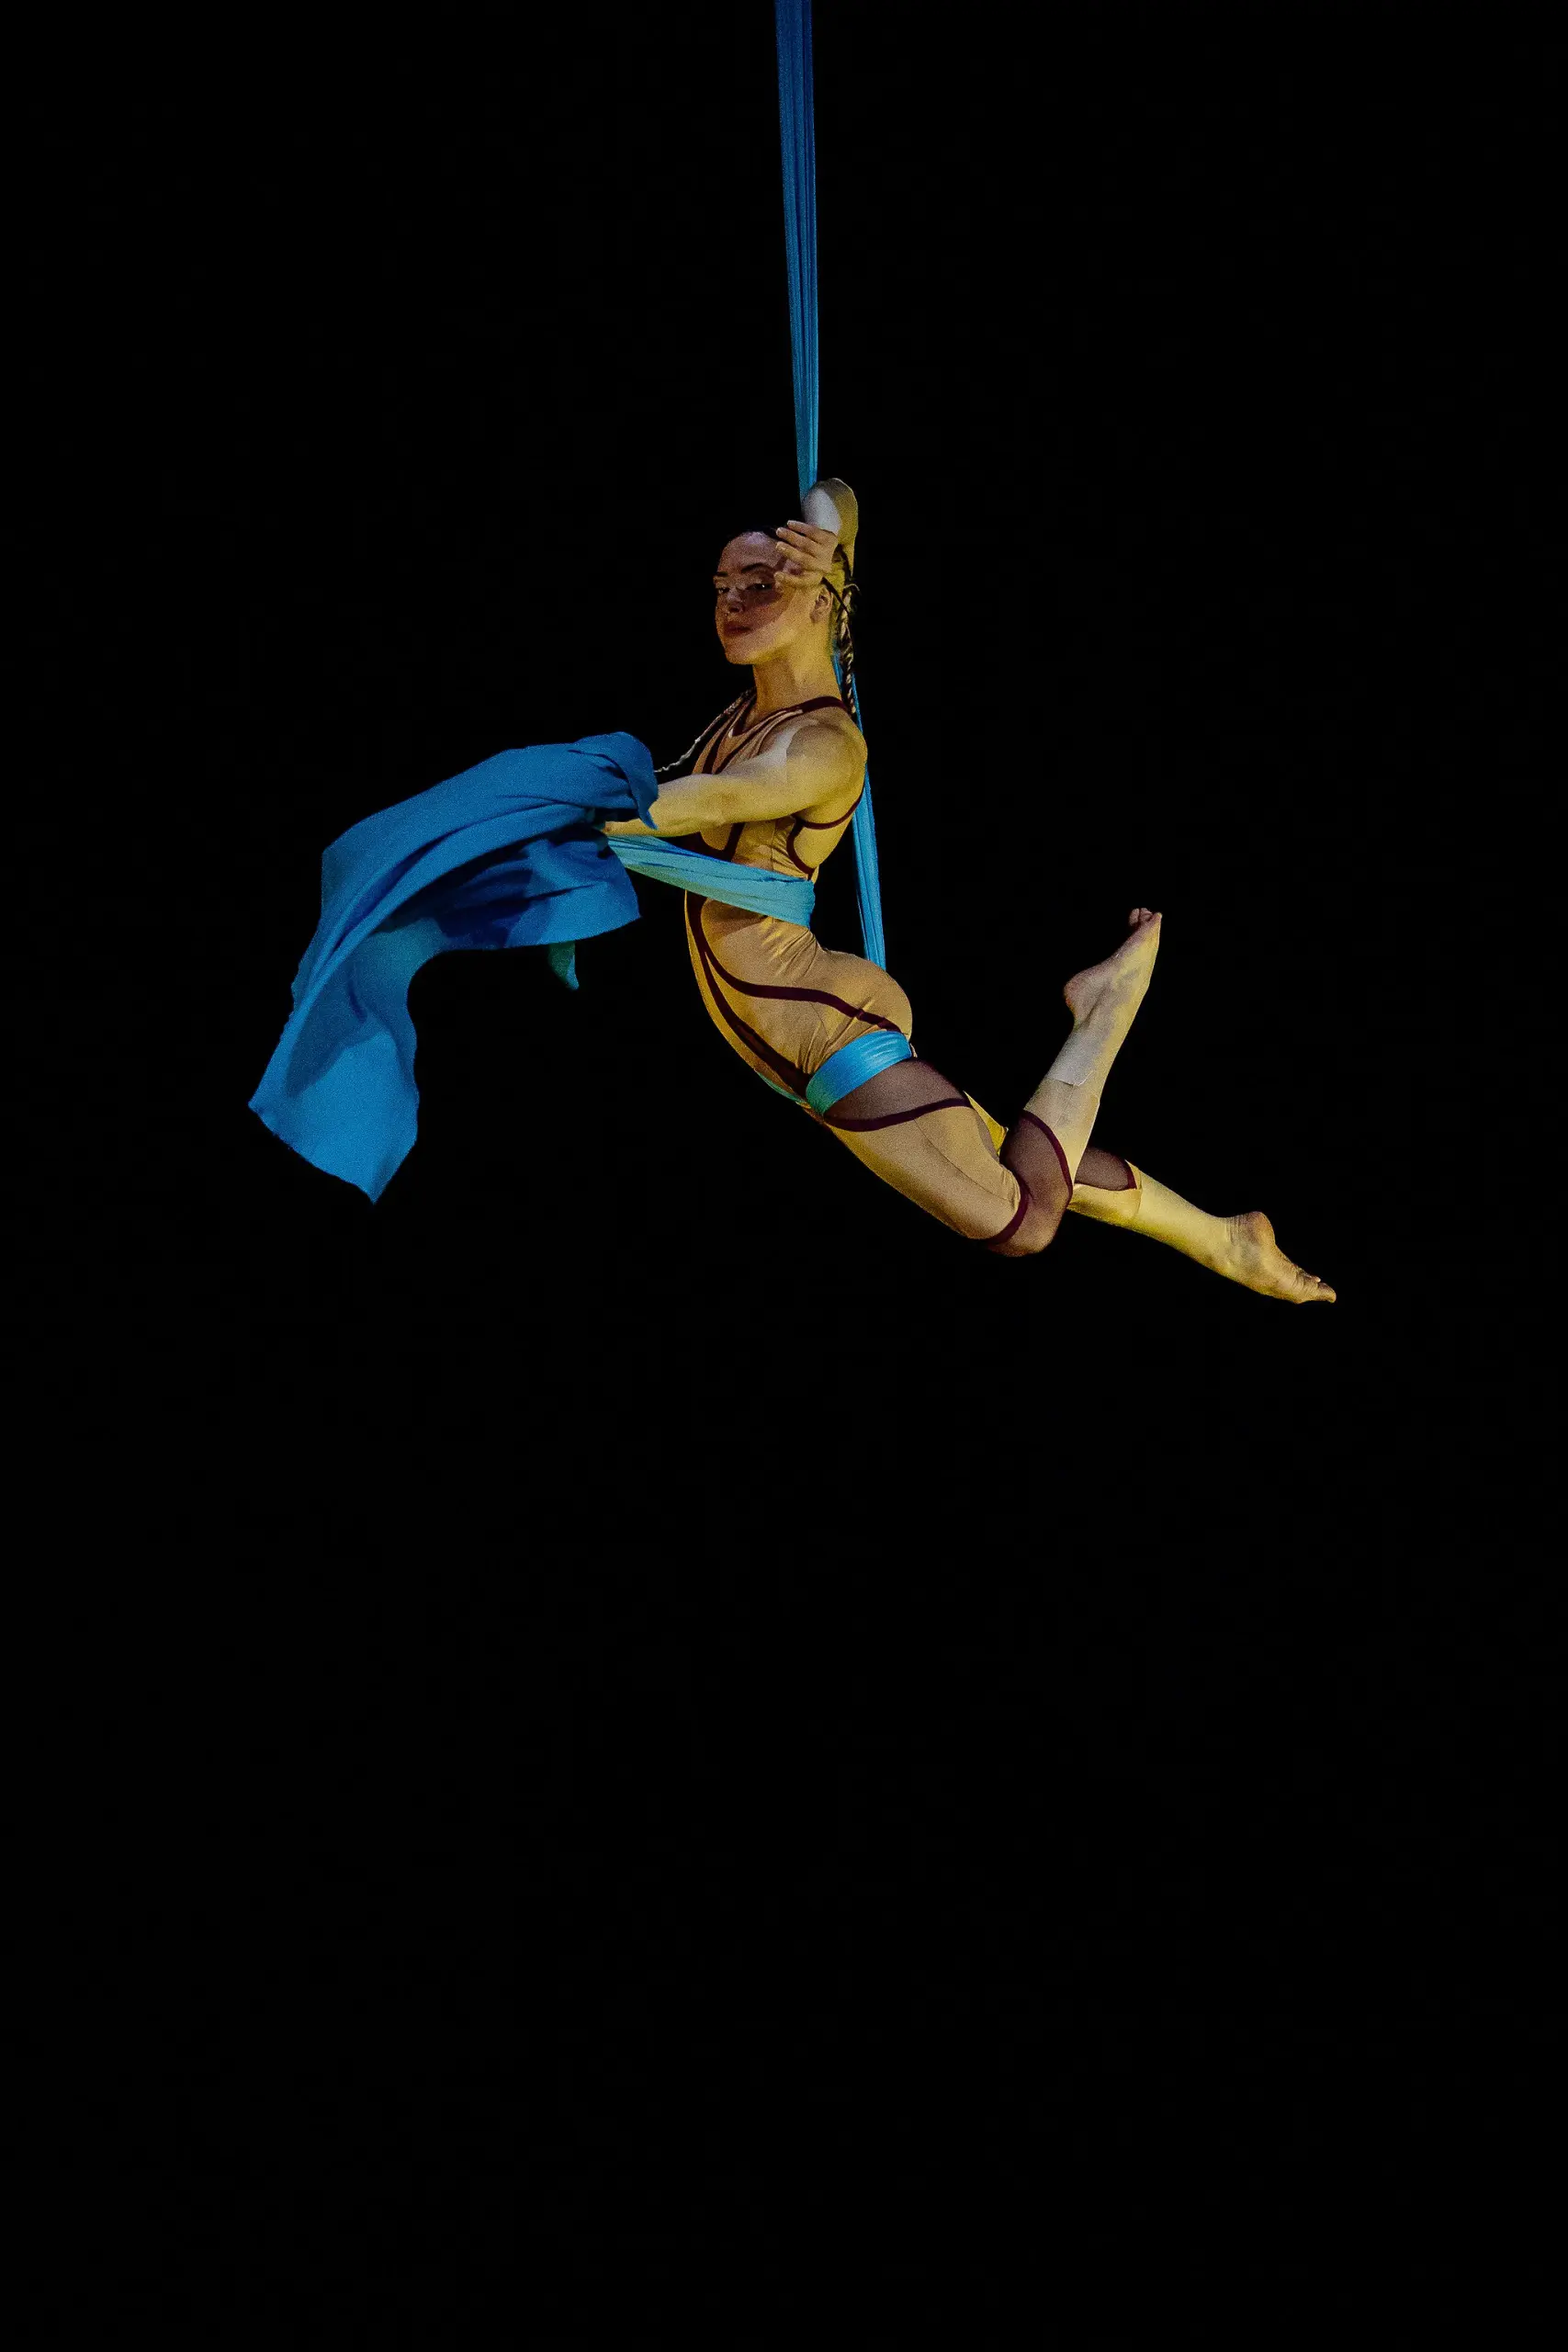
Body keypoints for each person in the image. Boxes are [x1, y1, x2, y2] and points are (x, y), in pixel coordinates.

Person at [602, 478, 1335, 1299]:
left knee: (1022, 1222)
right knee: (996, 1154)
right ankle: (1223, 1240)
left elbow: (702, 804)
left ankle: (1103, 1011)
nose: (733, 602)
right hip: (798, 1026)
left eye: (762, 583)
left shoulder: (821, 744)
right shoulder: (742, 716)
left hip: (824, 1033)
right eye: (723, 587)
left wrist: (533, 814)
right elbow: (834, 490)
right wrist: (825, 530)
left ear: (819, 594)